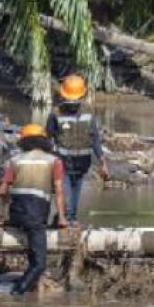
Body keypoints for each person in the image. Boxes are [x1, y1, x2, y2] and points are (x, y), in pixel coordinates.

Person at [0, 124, 66, 295]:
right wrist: (62, 218)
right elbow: (59, 191)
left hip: (16, 215)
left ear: (23, 142)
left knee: (32, 256)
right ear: (44, 141)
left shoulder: (14, 160)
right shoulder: (54, 161)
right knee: (39, 264)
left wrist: (6, 210)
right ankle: (17, 293)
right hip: (36, 216)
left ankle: (28, 288)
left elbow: (2, 191)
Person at [46, 75, 109, 227]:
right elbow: (47, 138)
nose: (72, 103)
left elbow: (94, 137)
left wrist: (103, 162)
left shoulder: (88, 111)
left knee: (76, 190)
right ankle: (67, 219)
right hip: (63, 161)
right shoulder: (56, 113)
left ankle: (71, 218)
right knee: (66, 192)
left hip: (82, 161)